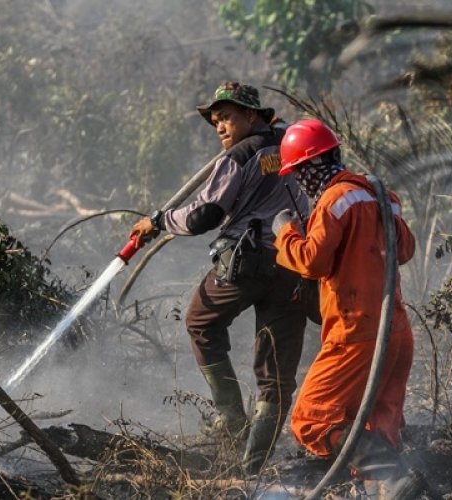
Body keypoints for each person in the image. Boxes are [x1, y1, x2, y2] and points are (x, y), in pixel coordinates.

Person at [130, 82, 310, 474]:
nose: (220, 127)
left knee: (200, 321)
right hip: (296, 262)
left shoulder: (239, 156)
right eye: (215, 121)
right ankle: (252, 469)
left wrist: (159, 221)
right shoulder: (292, 140)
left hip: (245, 262)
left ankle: (230, 420)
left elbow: (204, 216)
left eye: (226, 116)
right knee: (276, 372)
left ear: (251, 115)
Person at [271, 119, 424, 497]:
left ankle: (393, 476)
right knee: (377, 425)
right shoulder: (383, 195)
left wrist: (285, 232)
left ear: (309, 167)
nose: (300, 183)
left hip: (356, 333)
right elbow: (405, 250)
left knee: (311, 418)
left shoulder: (334, 199)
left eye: (298, 173)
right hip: (397, 332)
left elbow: (312, 261)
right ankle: (394, 489)